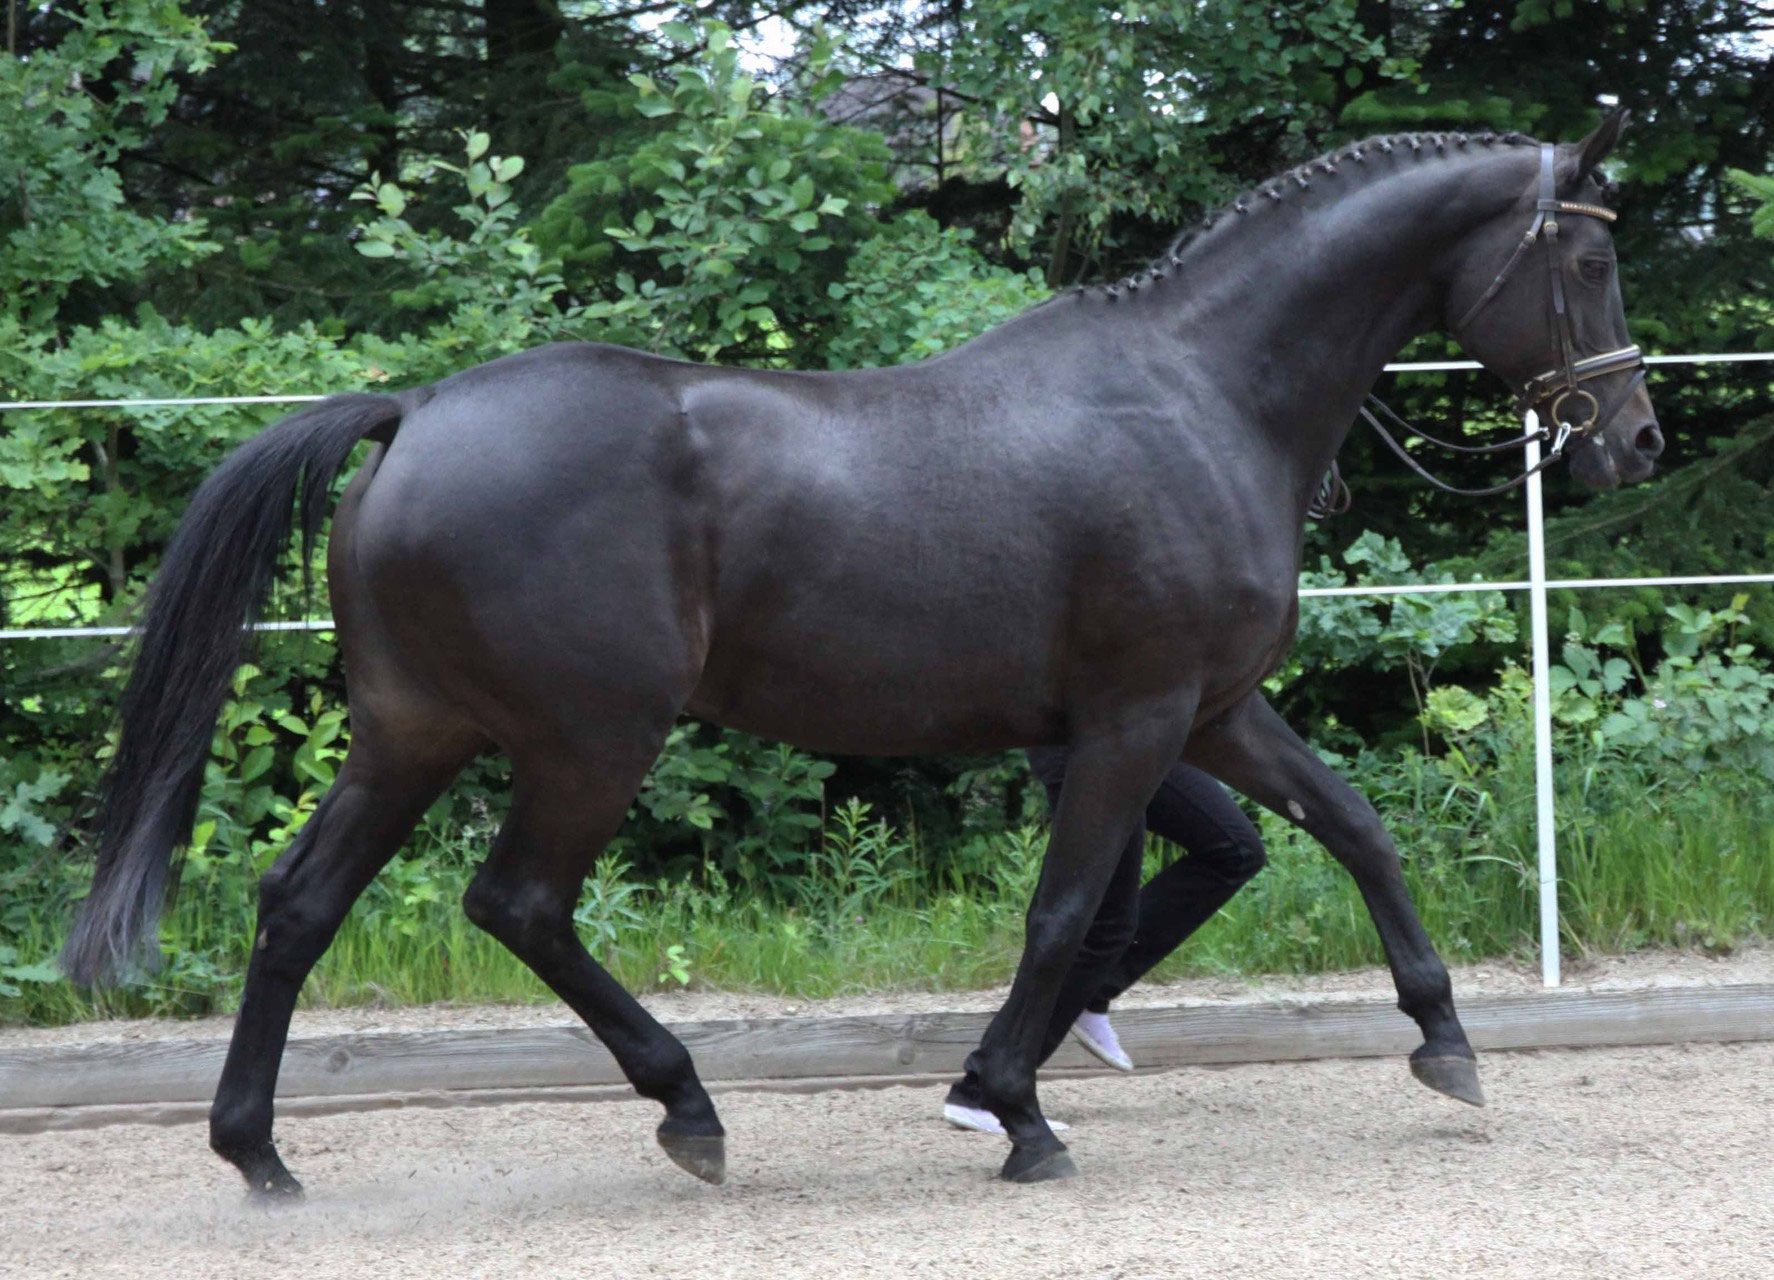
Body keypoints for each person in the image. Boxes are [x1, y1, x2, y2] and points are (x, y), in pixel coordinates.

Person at [943, 745, 1268, 1134]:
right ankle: (981, 1090)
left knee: (1236, 850)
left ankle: (1091, 993)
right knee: (1105, 927)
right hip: (1093, 748)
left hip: (1150, 737)